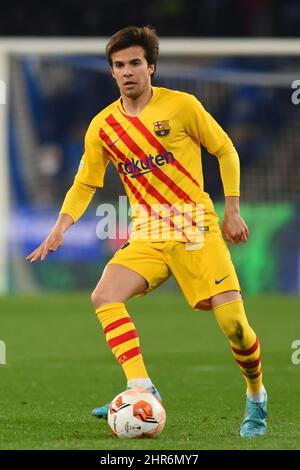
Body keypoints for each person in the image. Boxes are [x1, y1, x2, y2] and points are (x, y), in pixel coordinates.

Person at [26, 25, 267, 438]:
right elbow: (85, 181)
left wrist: (233, 210)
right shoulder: (102, 126)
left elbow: (225, 148)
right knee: (104, 295)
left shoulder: (182, 106)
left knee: (236, 329)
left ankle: (256, 397)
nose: (127, 71)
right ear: (113, 72)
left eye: (135, 63)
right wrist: (61, 226)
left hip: (196, 228)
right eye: (119, 65)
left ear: (151, 66)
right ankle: (141, 387)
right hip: (148, 233)